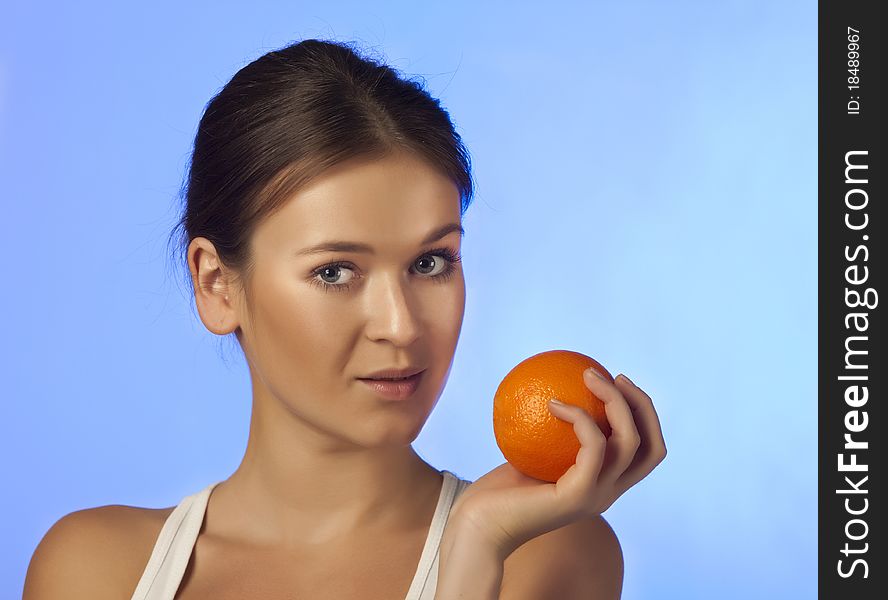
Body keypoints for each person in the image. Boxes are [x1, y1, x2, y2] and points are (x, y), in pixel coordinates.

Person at [22, 38, 666, 600]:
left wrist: (474, 550)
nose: (402, 326)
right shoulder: (94, 569)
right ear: (217, 286)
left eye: (431, 263)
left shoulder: (547, 555)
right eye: (335, 271)